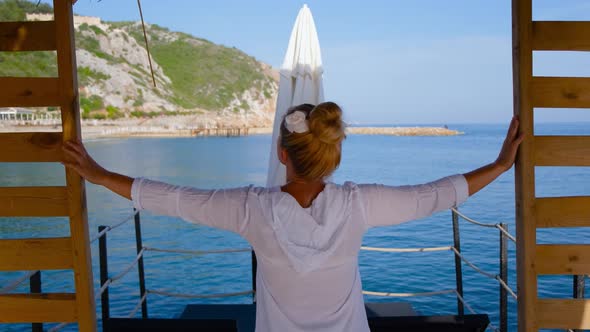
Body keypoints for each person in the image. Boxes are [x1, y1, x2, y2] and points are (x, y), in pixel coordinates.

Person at [62, 102, 523, 332]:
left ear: (282, 153)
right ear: (333, 156)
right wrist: (501, 166)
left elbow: (174, 198)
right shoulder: (358, 204)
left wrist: (100, 175)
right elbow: (434, 196)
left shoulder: (251, 209)